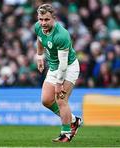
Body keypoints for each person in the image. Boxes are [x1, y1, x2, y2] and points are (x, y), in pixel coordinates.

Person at [34, 4, 82, 142]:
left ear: (53, 18)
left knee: (61, 99)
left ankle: (66, 133)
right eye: (41, 19)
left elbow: (63, 64)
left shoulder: (62, 35)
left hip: (68, 67)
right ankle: (74, 120)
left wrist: (59, 84)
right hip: (55, 67)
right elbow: (40, 38)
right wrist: (40, 56)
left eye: (46, 20)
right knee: (46, 100)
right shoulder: (38, 26)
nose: (43, 23)